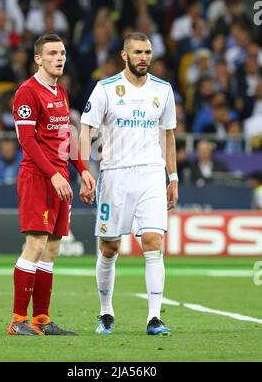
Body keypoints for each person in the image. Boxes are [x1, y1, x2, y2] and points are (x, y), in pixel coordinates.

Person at [80, 32, 178, 336]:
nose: (143, 58)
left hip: (151, 173)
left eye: (147, 52)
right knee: (109, 247)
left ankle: (153, 318)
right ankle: (106, 312)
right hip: (115, 176)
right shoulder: (106, 89)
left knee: (153, 242)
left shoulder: (163, 90)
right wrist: (84, 171)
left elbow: (169, 135)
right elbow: (85, 131)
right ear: (125, 55)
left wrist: (172, 177)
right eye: (137, 52)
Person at [9, 34, 95, 336]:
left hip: (61, 179)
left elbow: (66, 137)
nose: (59, 58)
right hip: (37, 177)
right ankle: (18, 319)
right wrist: (54, 174)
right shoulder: (27, 93)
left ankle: (41, 319)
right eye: (52, 53)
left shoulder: (60, 92)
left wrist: (82, 170)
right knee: (35, 245)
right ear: (38, 58)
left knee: (53, 249)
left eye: (62, 53)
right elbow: (27, 141)